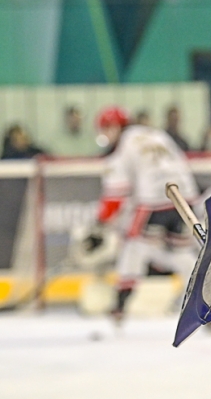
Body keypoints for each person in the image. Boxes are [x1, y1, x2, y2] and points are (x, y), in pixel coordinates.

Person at [85, 106, 200, 325]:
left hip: (154, 202)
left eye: (106, 130)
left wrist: (99, 225)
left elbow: (114, 197)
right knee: (181, 251)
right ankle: (203, 302)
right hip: (186, 197)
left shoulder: (122, 149)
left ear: (115, 128)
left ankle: (120, 305)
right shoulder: (155, 134)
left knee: (134, 245)